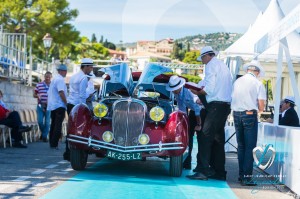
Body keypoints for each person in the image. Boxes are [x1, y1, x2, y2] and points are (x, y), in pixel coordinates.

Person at [187, 46, 232, 181]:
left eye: (202, 59)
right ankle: (219, 171)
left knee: (205, 137)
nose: (202, 61)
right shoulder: (223, 66)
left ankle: (203, 170)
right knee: (218, 140)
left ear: (206, 56)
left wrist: (197, 91)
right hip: (224, 106)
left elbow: (210, 89)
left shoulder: (211, 65)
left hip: (215, 106)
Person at [231, 60, 266, 185]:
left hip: (236, 114)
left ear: (247, 70)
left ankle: (242, 175)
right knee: (250, 147)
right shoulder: (257, 83)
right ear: (257, 71)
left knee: (241, 146)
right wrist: (259, 109)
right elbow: (261, 105)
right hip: (250, 114)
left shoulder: (237, 81)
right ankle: (247, 177)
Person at [166, 75, 202, 170]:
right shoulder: (176, 93)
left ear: (179, 86)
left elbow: (198, 108)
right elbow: (182, 108)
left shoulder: (189, 90)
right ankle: (187, 161)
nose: (173, 91)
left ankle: (201, 165)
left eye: (174, 89)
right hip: (193, 111)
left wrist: (199, 124)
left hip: (202, 111)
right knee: (188, 137)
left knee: (201, 139)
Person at [63, 58, 94, 160]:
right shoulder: (83, 78)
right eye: (90, 67)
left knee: (70, 129)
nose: (91, 69)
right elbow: (82, 96)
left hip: (70, 104)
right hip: (77, 105)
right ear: (85, 66)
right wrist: (84, 109)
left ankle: (67, 153)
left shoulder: (74, 76)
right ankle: (72, 153)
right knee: (77, 130)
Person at [47, 64, 68, 149]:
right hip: (59, 105)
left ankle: (52, 142)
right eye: (65, 71)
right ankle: (54, 143)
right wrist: (66, 103)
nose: (66, 73)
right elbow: (61, 92)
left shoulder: (55, 79)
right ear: (61, 71)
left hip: (53, 105)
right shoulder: (60, 80)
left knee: (53, 124)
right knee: (58, 125)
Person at [33, 71, 52, 142]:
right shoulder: (39, 85)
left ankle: (44, 137)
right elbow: (34, 94)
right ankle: (44, 133)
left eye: (49, 77)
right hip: (40, 105)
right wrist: (37, 95)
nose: (47, 78)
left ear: (51, 77)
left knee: (47, 122)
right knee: (40, 121)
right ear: (44, 77)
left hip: (49, 106)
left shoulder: (53, 85)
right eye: (46, 77)